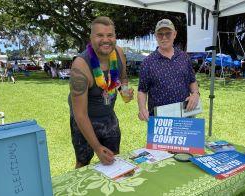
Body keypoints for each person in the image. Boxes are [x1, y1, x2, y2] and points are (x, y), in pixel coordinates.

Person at [68, 16, 133, 168]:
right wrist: (97, 147)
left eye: (110, 35)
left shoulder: (118, 53)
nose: (106, 40)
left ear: (115, 37)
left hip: (108, 117)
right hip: (85, 121)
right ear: (91, 38)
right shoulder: (80, 66)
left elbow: (123, 78)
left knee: (113, 159)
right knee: (83, 164)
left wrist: (124, 91)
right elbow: (80, 115)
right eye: (100, 35)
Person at [138, 19, 200, 121]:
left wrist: (195, 94)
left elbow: (192, 81)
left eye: (168, 34)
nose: (164, 37)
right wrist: (142, 109)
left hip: (185, 116)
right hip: (160, 122)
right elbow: (142, 90)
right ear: (155, 36)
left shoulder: (184, 57)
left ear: (174, 34)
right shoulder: (147, 62)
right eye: (160, 34)